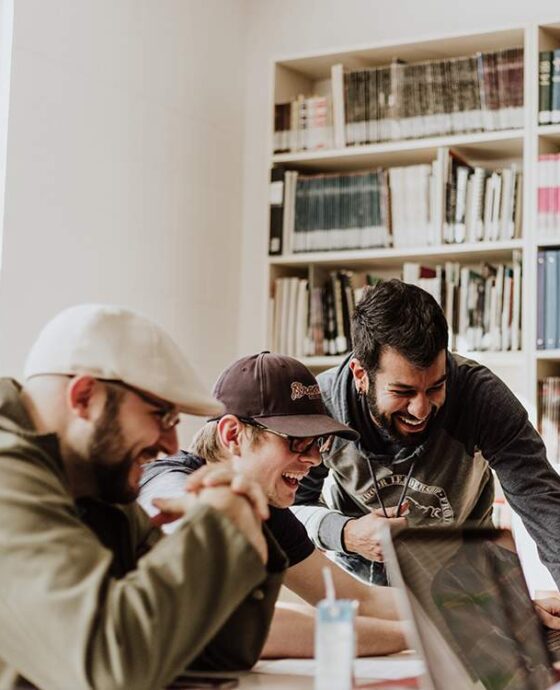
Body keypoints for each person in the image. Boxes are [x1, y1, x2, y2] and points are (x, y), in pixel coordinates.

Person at [0, 304, 286, 690]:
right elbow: (110, 668)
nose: (171, 446)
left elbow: (216, 653)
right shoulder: (8, 475)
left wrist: (242, 524)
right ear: (84, 397)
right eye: (161, 416)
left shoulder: (96, 485)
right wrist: (217, 526)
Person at [291, 278, 560, 589]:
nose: (421, 409)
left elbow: (543, 502)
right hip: (361, 587)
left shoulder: (482, 398)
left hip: (467, 585)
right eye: (402, 391)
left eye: (435, 387)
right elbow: (290, 509)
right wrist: (346, 533)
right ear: (360, 375)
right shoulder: (322, 408)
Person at [139, 351, 408, 658]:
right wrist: (416, 637)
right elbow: (241, 624)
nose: (315, 459)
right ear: (232, 435)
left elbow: (357, 599)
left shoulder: (267, 509)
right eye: (297, 440)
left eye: (318, 443)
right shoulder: (167, 484)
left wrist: (455, 611)